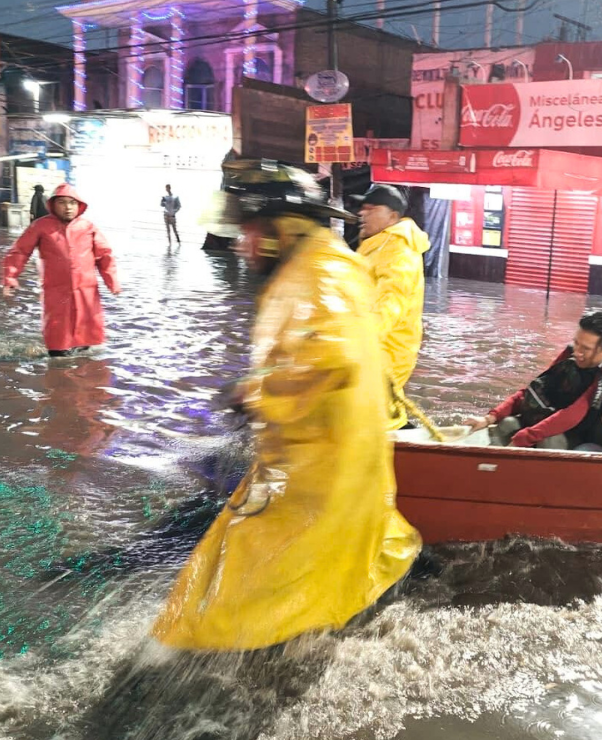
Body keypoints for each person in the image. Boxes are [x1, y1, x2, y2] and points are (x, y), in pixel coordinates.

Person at [151, 163, 421, 650]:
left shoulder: (319, 271)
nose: (242, 244)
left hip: (315, 473)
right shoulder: (324, 261)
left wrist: (255, 392)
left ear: (281, 228)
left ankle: (209, 661)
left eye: (249, 231)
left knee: (239, 594)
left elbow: (334, 354)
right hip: (318, 458)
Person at [465, 312, 602, 449]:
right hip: (550, 419)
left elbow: (573, 414)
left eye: (586, 349)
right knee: (508, 424)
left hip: (580, 435)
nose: (577, 352)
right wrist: (489, 418)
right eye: (576, 343)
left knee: (549, 440)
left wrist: (525, 437)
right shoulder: (570, 356)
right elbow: (534, 391)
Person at [2, 183, 120, 357]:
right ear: (53, 205)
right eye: (62, 203)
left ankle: (84, 363)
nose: (68, 207)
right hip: (56, 291)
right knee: (58, 335)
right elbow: (20, 251)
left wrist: (112, 282)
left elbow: (104, 256)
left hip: (86, 291)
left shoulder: (88, 227)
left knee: (88, 335)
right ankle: (58, 365)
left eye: (72, 203)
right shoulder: (41, 226)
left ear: (79, 205)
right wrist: (10, 277)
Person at [354, 184, 432, 429]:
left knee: (372, 417)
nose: (362, 213)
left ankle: (404, 445)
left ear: (392, 216)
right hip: (370, 348)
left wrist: (363, 338)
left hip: (385, 350)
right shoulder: (377, 245)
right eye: (363, 208)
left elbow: (391, 301)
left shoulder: (398, 251)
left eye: (372, 209)